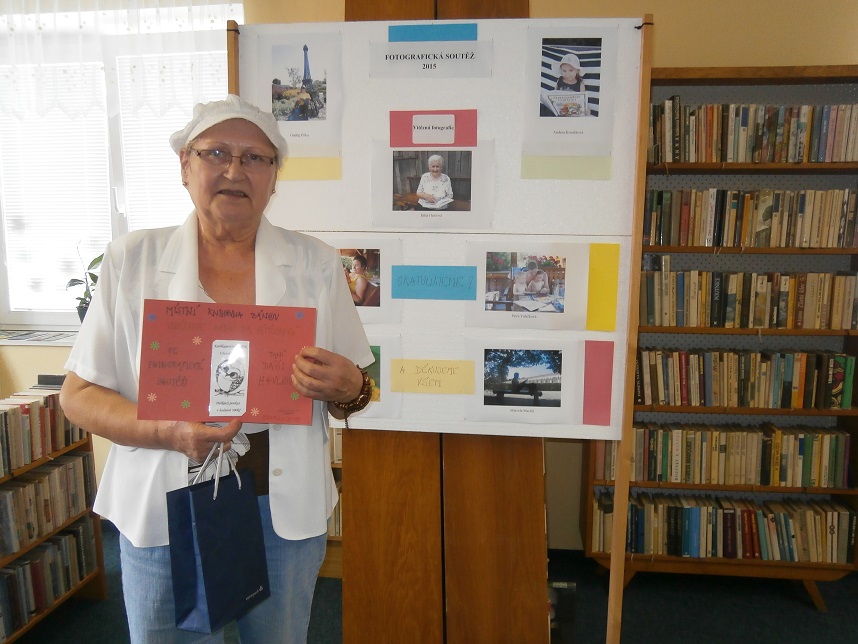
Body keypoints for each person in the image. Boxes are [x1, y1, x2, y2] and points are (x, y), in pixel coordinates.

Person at [59, 94, 374, 643]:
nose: (235, 170)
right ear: (185, 165)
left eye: (255, 158)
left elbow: (353, 391)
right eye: (217, 153)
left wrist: (350, 387)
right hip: (165, 499)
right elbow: (78, 395)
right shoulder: (131, 260)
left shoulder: (317, 264)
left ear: (274, 178)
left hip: (278, 505)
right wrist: (168, 432)